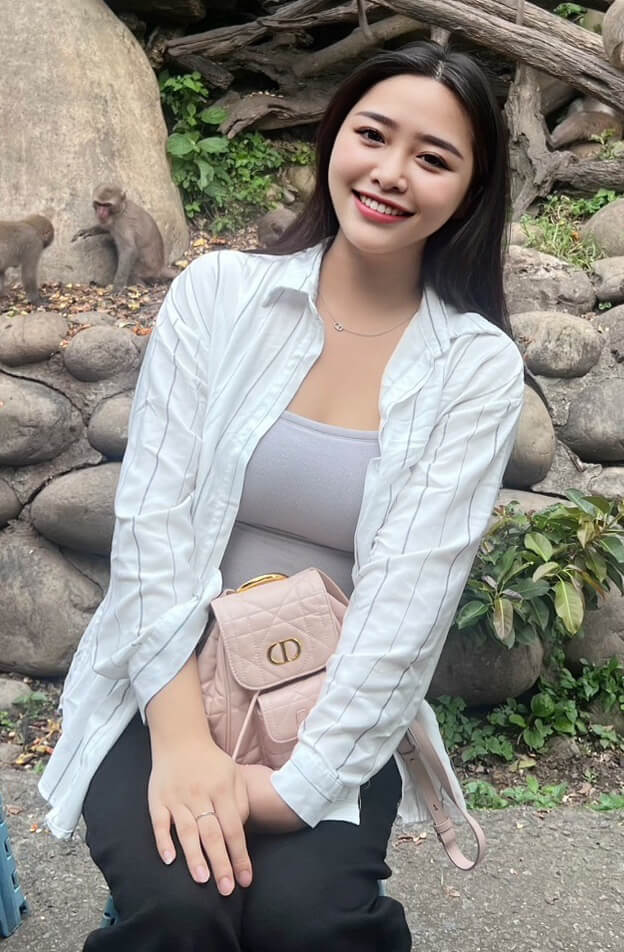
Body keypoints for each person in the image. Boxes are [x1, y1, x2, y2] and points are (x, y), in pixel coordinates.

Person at [39, 40, 525, 951]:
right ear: (333, 137)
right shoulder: (220, 296)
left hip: (329, 715)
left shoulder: (474, 368)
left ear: (470, 190)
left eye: (432, 158)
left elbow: (408, 608)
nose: (390, 172)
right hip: (166, 684)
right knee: (179, 913)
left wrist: (286, 793)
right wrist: (184, 749)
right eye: (372, 135)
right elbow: (152, 532)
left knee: (309, 923)